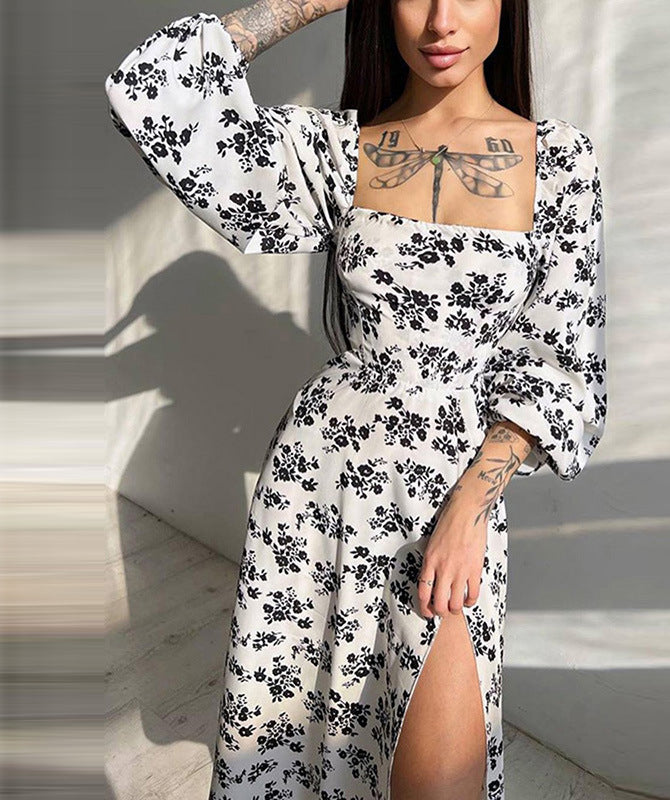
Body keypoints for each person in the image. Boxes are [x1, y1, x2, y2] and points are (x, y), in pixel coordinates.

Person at [104, 1, 607, 798]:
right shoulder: (339, 152)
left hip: (450, 495)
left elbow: (563, 368)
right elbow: (156, 90)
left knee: (441, 778)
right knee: (300, 754)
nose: (441, 21)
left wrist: (468, 512)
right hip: (317, 486)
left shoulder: (561, 166)